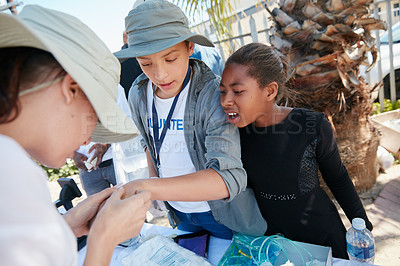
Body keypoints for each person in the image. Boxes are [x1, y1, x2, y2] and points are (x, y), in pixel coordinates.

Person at [0, 5, 151, 266]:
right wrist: (105, 237)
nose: (86, 140)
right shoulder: (10, 168)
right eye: (93, 120)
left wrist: (68, 226)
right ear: (70, 89)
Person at [114, 0, 266, 239]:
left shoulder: (215, 95)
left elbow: (229, 178)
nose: (160, 74)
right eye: (146, 63)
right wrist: (154, 180)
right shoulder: (138, 92)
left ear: (190, 47)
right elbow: (148, 141)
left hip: (222, 215)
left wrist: (149, 187)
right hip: (178, 212)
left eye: (170, 59)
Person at [219, 42, 373, 258]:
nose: (226, 101)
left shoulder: (311, 125)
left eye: (238, 91)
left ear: (270, 91)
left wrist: (363, 226)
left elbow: (337, 177)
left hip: (323, 239)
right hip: (274, 243)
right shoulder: (235, 134)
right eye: (223, 90)